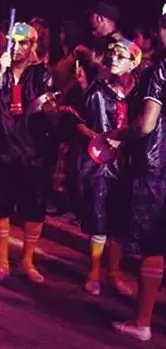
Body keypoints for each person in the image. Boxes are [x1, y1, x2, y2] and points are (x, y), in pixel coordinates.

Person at [0, 22, 56, 284]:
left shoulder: (42, 74)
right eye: (13, 41)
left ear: (32, 45)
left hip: (31, 153)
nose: (16, 48)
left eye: (23, 43)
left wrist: (52, 111)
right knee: (0, 207)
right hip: (0, 149)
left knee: (34, 210)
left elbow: (49, 113)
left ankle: (27, 260)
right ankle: (2, 262)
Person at [109, 6, 166, 342]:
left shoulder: (161, 68)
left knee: (154, 245)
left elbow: (146, 125)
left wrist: (121, 134)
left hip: (156, 168)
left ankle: (142, 322)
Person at [68, 38, 140, 296]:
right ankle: (94, 272)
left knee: (120, 219)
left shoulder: (140, 93)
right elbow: (77, 119)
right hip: (99, 164)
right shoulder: (97, 90)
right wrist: (95, 137)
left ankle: (114, 273)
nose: (113, 59)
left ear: (134, 63)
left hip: (129, 165)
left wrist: (124, 140)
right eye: (111, 55)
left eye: (120, 56)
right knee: (98, 216)